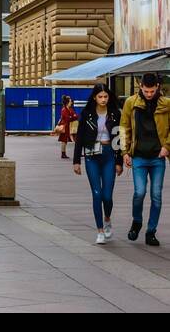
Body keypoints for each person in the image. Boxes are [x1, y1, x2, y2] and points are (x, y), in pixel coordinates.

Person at [121, 72, 170, 246]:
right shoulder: (131, 103)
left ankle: (151, 232)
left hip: (158, 157)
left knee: (156, 195)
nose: (149, 94)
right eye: (146, 91)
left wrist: (167, 146)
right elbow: (124, 127)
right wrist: (124, 152)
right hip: (139, 157)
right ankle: (137, 221)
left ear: (157, 87)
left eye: (152, 91)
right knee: (139, 193)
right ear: (141, 87)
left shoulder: (167, 104)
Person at [73, 83, 123, 245]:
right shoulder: (87, 114)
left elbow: (118, 138)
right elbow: (79, 137)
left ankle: (107, 218)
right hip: (91, 156)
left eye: (105, 96)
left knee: (107, 196)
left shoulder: (115, 114)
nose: (103, 99)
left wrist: (119, 161)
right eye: (100, 96)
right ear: (94, 97)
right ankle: (100, 230)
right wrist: (76, 161)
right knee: (97, 194)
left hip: (109, 154)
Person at [57, 94, 78, 160]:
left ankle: (64, 153)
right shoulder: (64, 109)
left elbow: (75, 116)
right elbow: (67, 118)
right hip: (64, 127)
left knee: (65, 141)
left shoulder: (69, 109)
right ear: (67, 102)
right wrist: (72, 117)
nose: (71, 102)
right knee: (64, 140)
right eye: (70, 101)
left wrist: (72, 117)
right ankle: (63, 154)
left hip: (68, 126)